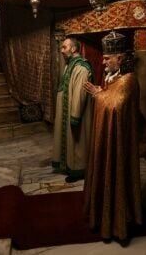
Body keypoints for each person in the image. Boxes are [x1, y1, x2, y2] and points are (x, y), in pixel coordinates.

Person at [82, 31, 142, 247]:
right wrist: (101, 91)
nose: (103, 61)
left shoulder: (129, 80)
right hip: (108, 139)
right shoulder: (113, 78)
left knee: (116, 175)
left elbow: (115, 106)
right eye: (104, 57)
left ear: (121, 58)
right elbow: (109, 99)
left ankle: (118, 222)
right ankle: (102, 213)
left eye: (108, 58)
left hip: (120, 144)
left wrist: (98, 95)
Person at [52, 37, 93, 183]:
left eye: (64, 47)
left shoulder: (81, 67)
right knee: (70, 142)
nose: (61, 50)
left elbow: (79, 94)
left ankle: (79, 170)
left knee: (78, 142)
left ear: (73, 49)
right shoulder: (69, 65)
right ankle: (69, 165)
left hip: (76, 113)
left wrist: (75, 116)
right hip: (66, 111)